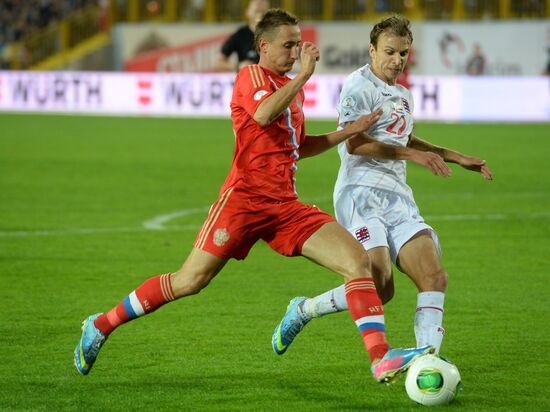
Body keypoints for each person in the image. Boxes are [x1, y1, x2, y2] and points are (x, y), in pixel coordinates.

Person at [74, 9, 433, 383]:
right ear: (264, 46)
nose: (296, 53)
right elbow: (262, 115)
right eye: (288, 45)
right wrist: (305, 77)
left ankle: (379, 358)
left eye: (298, 45)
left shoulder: (291, 92)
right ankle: (100, 324)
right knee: (189, 282)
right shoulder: (250, 76)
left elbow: (297, 146)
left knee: (358, 263)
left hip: (286, 206)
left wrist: (349, 132)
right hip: (243, 202)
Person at [272, 15, 493, 358]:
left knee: (434, 277)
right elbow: (355, 144)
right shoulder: (357, 85)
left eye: (403, 53)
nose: (397, 60)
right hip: (360, 194)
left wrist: (453, 155)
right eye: (390, 52)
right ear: (372, 50)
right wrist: (411, 156)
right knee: (380, 286)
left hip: (398, 197)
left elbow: (403, 137)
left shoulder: (403, 94)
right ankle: (304, 310)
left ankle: (426, 361)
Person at [215, 0, 269, 71]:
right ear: (248, 12)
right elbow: (219, 61)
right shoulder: (240, 35)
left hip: (270, 80)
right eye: (256, 11)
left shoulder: (275, 34)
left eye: (262, 12)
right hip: (247, 79)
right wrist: (238, 66)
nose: (259, 15)